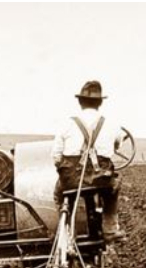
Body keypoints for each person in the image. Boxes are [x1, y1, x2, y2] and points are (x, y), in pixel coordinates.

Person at [52, 80, 126, 243]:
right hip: (101, 179)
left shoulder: (66, 123)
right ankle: (110, 229)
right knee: (113, 188)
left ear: (80, 102)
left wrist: (64, 170)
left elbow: (56, 156)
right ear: (100, 102)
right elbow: (117, 145)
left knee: (58, 195)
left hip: (72, 180)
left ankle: (65, 231)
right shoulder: (112, 124)